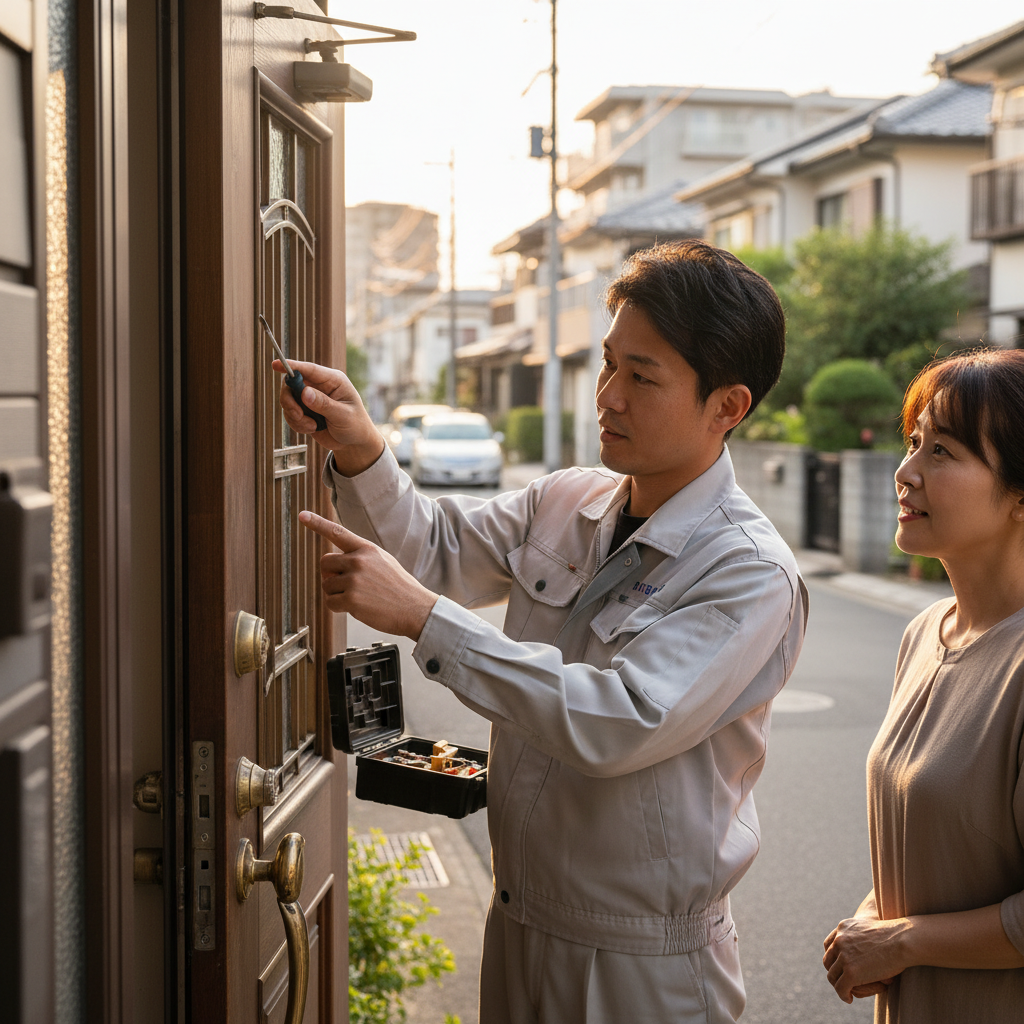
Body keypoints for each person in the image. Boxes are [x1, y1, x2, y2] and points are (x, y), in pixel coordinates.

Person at [280, 240, 808, 1023]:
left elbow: (623, 719)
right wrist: (360, 448)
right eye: (607, 364)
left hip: (644, 965)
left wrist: (426, 619)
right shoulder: (568, 499)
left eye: (642, 376)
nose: (608, 396)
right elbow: (434, 548)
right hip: (521, 918)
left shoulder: (749, 571)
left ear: (727, 407)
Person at [822, 349, 1024, 1021]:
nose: (906, 474)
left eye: (942, 452)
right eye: (913, 444)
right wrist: (875, 917)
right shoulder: (924, 632)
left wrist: (902, 942)